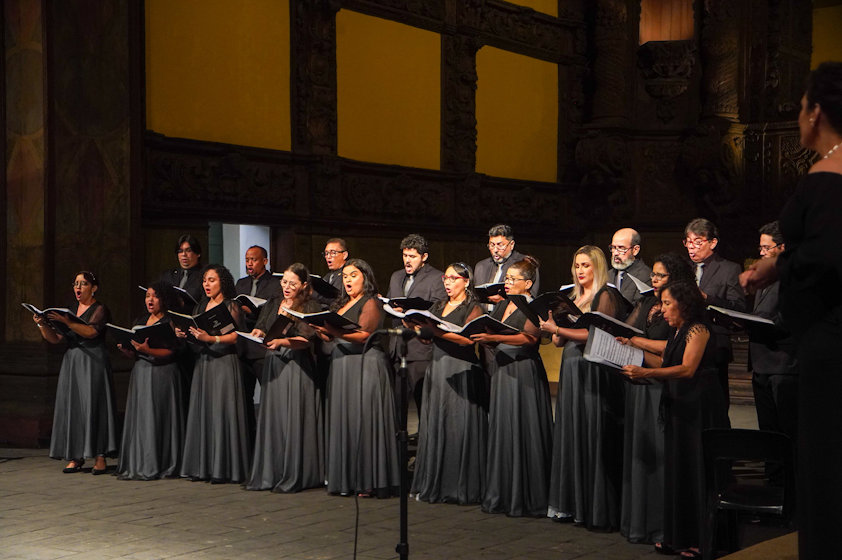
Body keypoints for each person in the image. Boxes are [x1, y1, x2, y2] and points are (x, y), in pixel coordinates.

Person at [739, 61, 842, 560]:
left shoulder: (827, 178)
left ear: (817, 111)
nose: (801, 116)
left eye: (802, 106)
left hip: (828, 341)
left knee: (824, 457)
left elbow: (825, 255)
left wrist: (773, 268)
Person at [618, 281, 730, 558]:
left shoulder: (698, 329)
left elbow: (688, 369)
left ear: (685, 304)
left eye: (668, 303)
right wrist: (629, 352)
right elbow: (666, 363)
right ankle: (678, 535)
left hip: (699, 408)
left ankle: (702, 539)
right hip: (680, 406)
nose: (663, 309)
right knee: (679, 470)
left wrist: (646, 374)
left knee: (696, 471)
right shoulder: (678, 330)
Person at [540, 245, 628, 530]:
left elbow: (595, 333)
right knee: (571, 432)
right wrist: (554, 325)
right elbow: (559, 342)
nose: (580, 271)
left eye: (586, 266)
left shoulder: (606, 295)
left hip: (593, 369)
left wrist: (559, 330)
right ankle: (571, 503)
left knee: (591, 432)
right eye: (577, 266)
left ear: (597, 267)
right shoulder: (573, 297)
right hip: (571, 367)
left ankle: (595, 505)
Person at [620, 253, 694, 544]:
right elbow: (629, 329)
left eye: (661, 276)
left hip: (658, 385)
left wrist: (636, 343)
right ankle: (638, 521)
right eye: (653, 275)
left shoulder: (678, 308)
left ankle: (660, 524)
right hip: (639, 380)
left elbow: (674, 346)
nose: (654, 280)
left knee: (658, 457)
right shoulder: (649, 302)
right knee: (640, 454)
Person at [472, 256, 552, 517]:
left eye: (512, 279)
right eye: (506, 278)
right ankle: (503, 491)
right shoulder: (504, 303)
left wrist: (493, 337)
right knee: (504, 428)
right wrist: (486, 338)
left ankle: (525, 494)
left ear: (528, 283)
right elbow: (494, 328)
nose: (506, 283)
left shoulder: (532, 305)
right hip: (503, 368)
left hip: (523, 370)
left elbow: (529, 338)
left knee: (522, 427)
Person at [314, 258, 399, 497]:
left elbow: (364, 334)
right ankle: (347, 478)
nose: (348, 280)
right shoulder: (341, 303)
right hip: (342, 366)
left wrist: (334, 331)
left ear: (366, 277)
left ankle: (369, 480)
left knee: (364, 420)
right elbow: (336, 335)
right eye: (345, 276)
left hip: (365, 365)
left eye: (353, 275)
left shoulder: (370, 301)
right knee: (346, 421)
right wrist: (323, 332)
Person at [411, 262, 487, 505]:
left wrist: (437, 332)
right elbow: (429, 335)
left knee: (458, 425)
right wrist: (417, 329)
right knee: (437, 423)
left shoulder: (473, 307)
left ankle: (459, 485)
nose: (448, 282)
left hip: (461, 368)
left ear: (466, 281)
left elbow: (467, 340)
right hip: (438, 366)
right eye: (446, 277)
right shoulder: (438, 305)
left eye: (454, 278)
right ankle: (436, 481)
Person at [245, 263, 324, 492]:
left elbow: (307, 340)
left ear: (304, 285)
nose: (287, 287)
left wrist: (282, 342)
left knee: (293, 416)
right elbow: (261, 327)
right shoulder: (273, 302)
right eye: (285, 282)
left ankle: (295, 472)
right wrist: (258, 332)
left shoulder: (310, 306)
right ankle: (272, 471)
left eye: (293, 283)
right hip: (273, 363)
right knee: (275, 418)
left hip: (296, 366)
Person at [33, 271, 117, 474]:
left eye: (83, 284)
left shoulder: (100, 309)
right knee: (74, 406)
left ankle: (99, 455)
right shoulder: (70, 310)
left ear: (94, 288)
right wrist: (42, 323)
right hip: (72, 361)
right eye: (76, 284)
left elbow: (91, 332)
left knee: (94, 404)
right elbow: (55, 339)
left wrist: (70, 323)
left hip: (93, 360)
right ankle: (75, 455)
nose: (78, 288)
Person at [177, 264, 251, 483]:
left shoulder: (232, 306)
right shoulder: (200, 306)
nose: (206, 285)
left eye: (212, 280)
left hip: (225, 363)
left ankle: (224, 468)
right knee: (205, 411)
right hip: (205, 363)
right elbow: (196, 332)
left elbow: (236, 336)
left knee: (222, 411)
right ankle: (204, 466)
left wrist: (211, 339)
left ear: (223, 282)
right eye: (204, 281)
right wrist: (185, 333)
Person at [116, 282, 185, 480]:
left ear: (164, 299)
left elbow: (172, 351)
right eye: (148, 296)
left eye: (155, 296)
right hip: (142, 372)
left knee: (158, 417)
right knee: (143, 417)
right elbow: (135, 350)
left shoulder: (171, 321)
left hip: (162, 373)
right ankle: (140, 461)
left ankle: (160, 463)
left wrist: (148, 351)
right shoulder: (141, 320)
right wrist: (128, 350)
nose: (150, 300)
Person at [683, 218, 746, 408]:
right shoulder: (684, 268)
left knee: (715, 401)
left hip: (715, 342)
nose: (692, 248)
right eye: (688, 242)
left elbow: (739, 307)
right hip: (685, 340)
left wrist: (707, 298)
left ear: (713, 242)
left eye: (698, 242)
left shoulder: (729, 269)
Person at [748, 222, 798, 449]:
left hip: (783, 365)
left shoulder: (793, 277)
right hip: (761, 362)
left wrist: (760, 323)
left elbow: (793, 318)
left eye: (766, 248)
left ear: (783, 247)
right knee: (767, 431)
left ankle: (789, 482)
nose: (761, 253)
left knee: (787, 432)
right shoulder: (764, 277)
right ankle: (773, 478)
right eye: (761, 248)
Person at [385, 234, 446, 415]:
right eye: (405, 256)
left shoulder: (436, 277)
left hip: (420, 349)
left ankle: (426, 442)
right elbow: (390, 301)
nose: (407, 261)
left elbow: (438, 309)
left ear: (424, 257)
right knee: (397, 404)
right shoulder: (396, 276)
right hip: (397, 348)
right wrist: (391, 308)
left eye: (412, 256)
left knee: (423, 403)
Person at [234, 244, 281, 440]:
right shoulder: (241, 284)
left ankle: (269, 438)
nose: (249, 263)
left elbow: (275, 312)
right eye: (247, 260)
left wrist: (254, 311)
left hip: (262, 347)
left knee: (270, 396)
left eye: (253, 259)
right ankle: (248, 440)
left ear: (265, 261)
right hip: (243, 345)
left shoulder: (275, 284)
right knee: (244, 398)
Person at [474, 224, 540, 307]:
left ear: (511, 244)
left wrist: (503, 303)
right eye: (492, 245)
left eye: (500, 245)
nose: (495, 250)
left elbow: (530, 298)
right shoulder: (481, 266)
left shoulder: (524, 263)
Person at [160, 234, 204, 313]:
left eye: (188, 250)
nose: (184, 254)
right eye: (180, 251)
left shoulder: (204, 276)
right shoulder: (169, 275)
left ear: (198, 253)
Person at [608, 227, 652, 305]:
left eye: (621, 248)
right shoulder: (608, 275)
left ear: (635, 250)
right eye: (613, 247)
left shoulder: (645, 276)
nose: (615, 253)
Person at [315, 238, 348, 306]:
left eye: (333, 253)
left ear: (344, 255)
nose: (328, 256)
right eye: (326, 253)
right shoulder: (328, 276)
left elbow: (338, 299)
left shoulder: (347, 275)